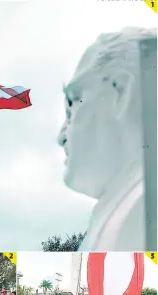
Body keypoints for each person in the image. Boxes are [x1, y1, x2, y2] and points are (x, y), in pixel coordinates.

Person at [58, 28, 157, 252]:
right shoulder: (123, 206)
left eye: (72, 104)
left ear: (122, 90)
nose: (61, 136)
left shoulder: (140, 207)